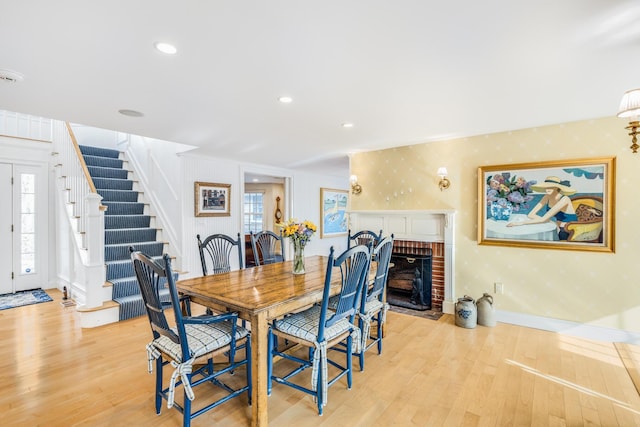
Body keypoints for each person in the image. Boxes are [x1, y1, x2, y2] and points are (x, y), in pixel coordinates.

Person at [506, 176, 577, 240]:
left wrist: (520, 223)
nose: (547, 189)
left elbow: (543, 219)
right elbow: (531, 214)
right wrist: (551, 222)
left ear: (557, 187)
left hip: (569, 231)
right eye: (546, 187)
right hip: (557, 228)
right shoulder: (547, 197)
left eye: (551, 186)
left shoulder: (564, 199)